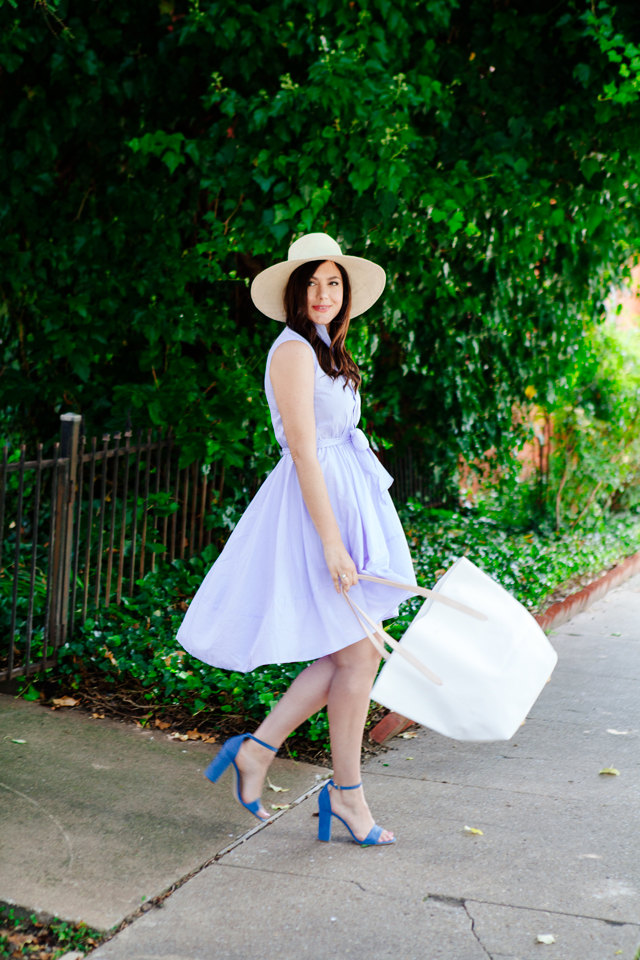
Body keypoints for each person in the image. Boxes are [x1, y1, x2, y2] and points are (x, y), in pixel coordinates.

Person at [177, 233, 417, 846]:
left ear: (345, 291)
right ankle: (341, 793)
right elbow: (304, 450)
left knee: (351, 653)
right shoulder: (291, 352)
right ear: (292, 291)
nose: (322, 294)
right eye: (310, 283)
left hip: (344, 500)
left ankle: (262, 752)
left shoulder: (325, 348)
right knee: (357, 653)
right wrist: (334, 542)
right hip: (316, 512)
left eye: (332, 283)